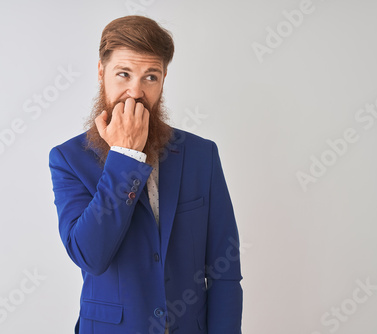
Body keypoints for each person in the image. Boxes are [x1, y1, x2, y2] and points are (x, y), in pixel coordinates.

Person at [49, 15, 242, 334]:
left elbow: (225, 273)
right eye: (123, 74)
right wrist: (125, 157)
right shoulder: (68, 159)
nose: (135, 92)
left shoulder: (201, 154)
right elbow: (90, 256)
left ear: (164, 78)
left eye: (150, 77)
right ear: (101, 72)